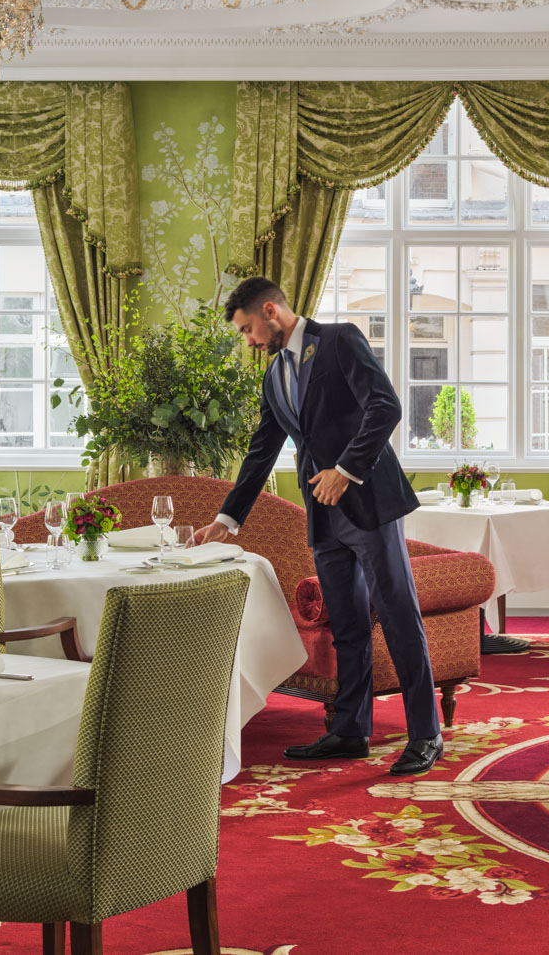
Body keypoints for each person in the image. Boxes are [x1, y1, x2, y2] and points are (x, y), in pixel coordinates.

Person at [188, 277, 443, 776]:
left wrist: (346, 470)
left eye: (247, 330)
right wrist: (227, 518)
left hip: (367, 502)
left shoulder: (340, 339)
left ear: (270, 310)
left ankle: (426, 734)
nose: (249, 341)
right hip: (322, 516)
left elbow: (385, 406)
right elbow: (262, 450)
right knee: (346, 625)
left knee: (397, 615)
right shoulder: (273, 376)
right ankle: (350, 730)